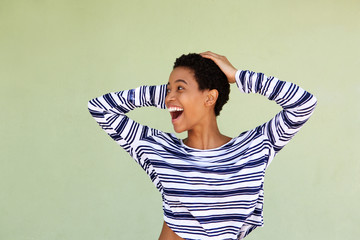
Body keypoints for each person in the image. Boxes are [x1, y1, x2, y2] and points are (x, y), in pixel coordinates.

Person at [87, 51, 317, 240]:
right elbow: (100, 108)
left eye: (179, 88)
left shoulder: (253, 148)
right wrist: (168, 95)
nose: (169, 97)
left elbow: (303, 104)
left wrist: (238, 76)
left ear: (209, 98)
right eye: (168, 90)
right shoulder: (159, 150)